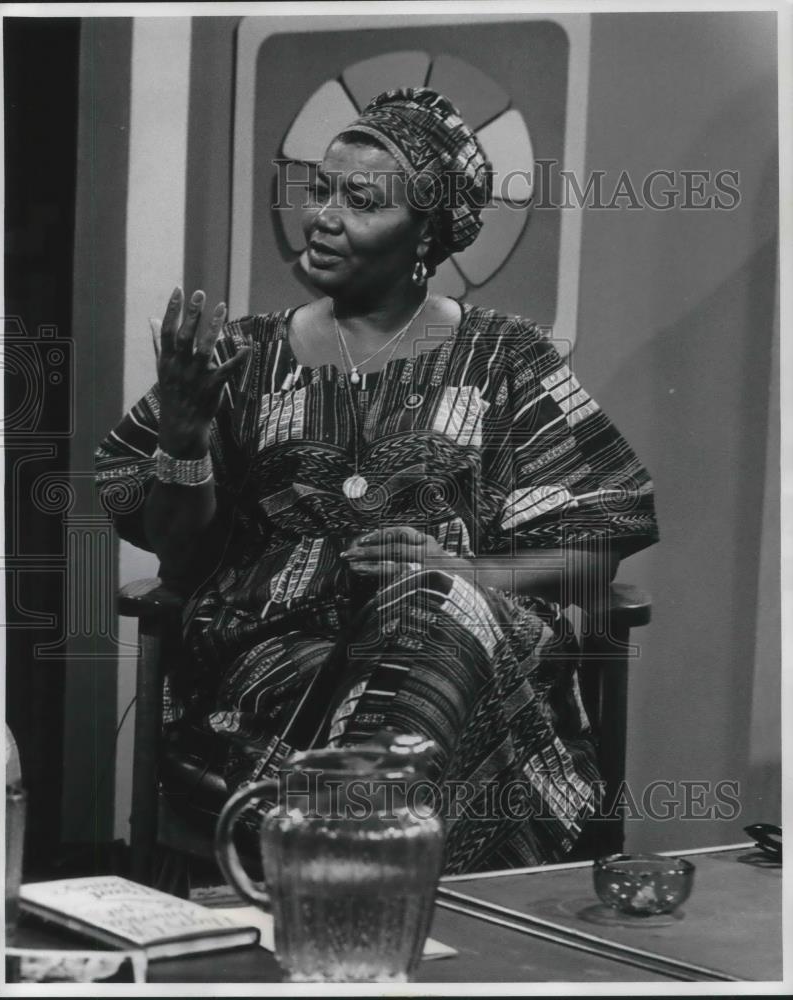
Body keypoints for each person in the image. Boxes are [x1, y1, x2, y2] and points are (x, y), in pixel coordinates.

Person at [95, 88, 658, 873]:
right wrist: (185, 437)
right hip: (282, 664)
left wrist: (468, 574)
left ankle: (342, 869)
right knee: (420, 637)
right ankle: (380, 884)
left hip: (470, 651)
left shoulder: (504, 357)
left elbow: (601, 531)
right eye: (320, 190)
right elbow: (182, 560)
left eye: (360, 201)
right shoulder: (245, 357)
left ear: (425, 230)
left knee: (432, 606)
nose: (323, 216)